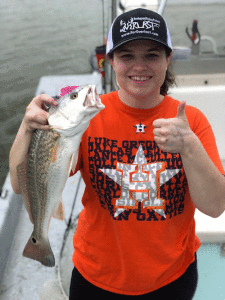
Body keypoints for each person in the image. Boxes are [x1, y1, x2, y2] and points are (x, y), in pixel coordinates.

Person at [9, 8, 225, 300]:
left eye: (151, 55)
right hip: (95, 276)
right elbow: (21, 185)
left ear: (167, 59)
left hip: (172, 277)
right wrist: (26, 129)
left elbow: (215, 207)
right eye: (126, 56)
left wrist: (189, 145)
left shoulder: (192, 121)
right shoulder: (87, 118)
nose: (139, 66)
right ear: (110, 61)